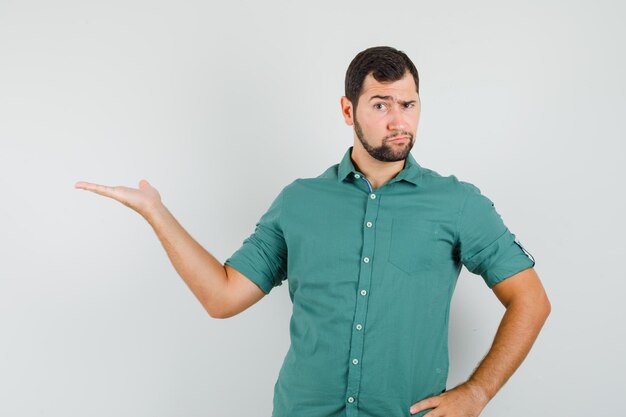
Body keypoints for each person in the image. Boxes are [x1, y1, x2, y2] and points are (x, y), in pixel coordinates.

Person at [75, 45, 551, 417]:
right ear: (348, 111)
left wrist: (477, 393)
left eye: (408, 104)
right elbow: (222, 297)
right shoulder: (299, 201)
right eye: (380, 104)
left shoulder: (458, 203)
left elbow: (531, 299)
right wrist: (156, 212)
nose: (398, 120)